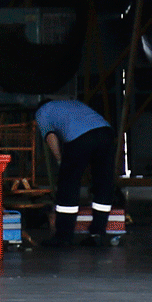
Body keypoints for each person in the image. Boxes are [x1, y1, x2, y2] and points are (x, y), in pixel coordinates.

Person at [33, 95, 116, 248]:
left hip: (80, 137)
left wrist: (60, 160)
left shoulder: (42, 111)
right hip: (106, 133)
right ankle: (97, 234)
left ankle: (63, 236)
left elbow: (50, 137)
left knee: (68, 185)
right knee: (103, 183)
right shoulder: (73, 103)